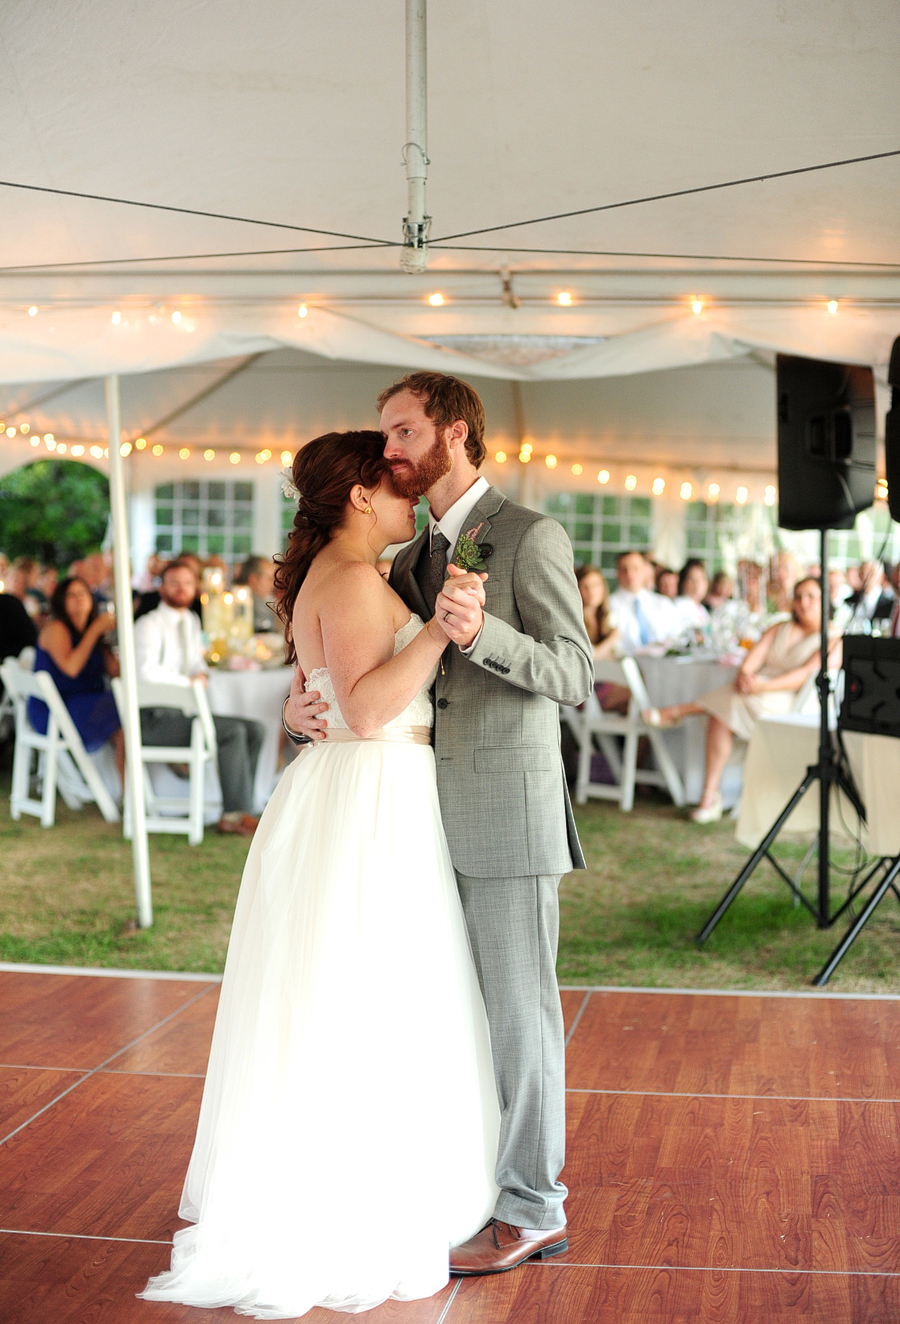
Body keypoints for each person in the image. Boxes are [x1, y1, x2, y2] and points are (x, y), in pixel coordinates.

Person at [141, 430, 503, 1316]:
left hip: (365, 790)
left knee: (353, 992)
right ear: (356, 498)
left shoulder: (348, 579)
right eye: (394, 484)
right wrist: (445, 634)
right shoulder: (346, 581)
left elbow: (331, 699)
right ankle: (351, 1204)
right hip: (369, 796)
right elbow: (374, 709)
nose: (409, 496)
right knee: (365, 995)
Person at [284, 371, 594, 1277]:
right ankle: (459, 1183)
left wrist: (478, 633)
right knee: (442, 1014)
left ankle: (535, 1206)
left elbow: (574, 673)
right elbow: (360, 664)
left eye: (403, 431)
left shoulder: (531, 536)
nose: (389, 450)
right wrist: (300, 710)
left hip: (502, 811)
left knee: (518, 1015)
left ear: (455, 434)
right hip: (412, 820)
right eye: (385, 435)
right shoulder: (407, 557)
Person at [646, 578, 837, 822]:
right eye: (798, 596)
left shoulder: (834, 638)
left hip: (792, 702)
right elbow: (752, 658)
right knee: (723, 712)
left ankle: (680, 711)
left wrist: (765, 686)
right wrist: (745, 676)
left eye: (811, 596)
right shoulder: (780, 627)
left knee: (727, 705)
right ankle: (709, 796)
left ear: (824, 599)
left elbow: (806, 675)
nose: (803, 602)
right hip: (754, 692)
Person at [133, 560, 264, 837]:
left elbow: (194, 663)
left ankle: (241, 809)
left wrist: (201, 673)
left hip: (183, 714)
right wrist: (189, 683)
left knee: (256, 729)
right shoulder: (148, 625)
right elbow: (144, 674)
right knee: (232, 732)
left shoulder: (191, 621)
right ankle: (232, 816)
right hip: (153, 718)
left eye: (188, 583)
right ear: (161, 588)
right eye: (174, 583)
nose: (182, 589)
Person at [26, 576, 123, 781]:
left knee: (126, 712)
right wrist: (95, 630)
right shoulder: (56, 629)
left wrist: (111, 638)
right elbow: (72, 669)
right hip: (56, 710)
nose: (78, 599)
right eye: (71, 595)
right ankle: (127, 793)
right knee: (124, 713)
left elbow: (115, 671)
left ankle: (125, 790)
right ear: (61, 601)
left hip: (85, 703)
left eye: (82, 593)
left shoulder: (89, 631)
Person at [575, 564, 629, 712]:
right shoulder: (575, 621)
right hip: (585, 690)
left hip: (607, 684)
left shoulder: (607, 618)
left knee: (637, 707)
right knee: (641, 695)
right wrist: (613, 637)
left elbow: (617, 654)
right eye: (585, 586)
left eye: (596, 585)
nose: (591, 591)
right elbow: (591, 656)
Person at [609, 550, 679, 655]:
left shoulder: (663, 604)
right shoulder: (609, 605)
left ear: (645, 570)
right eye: (624, 569)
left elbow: (677, 635)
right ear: (617, 572)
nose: (630, 574)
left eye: (635, 568)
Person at [235, 554, 277, 632]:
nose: (273, 585)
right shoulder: (235, 605)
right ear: (253, 578)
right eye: (270, 579)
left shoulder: (268, 601)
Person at [674, 559, 710, 631]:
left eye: (701, 578)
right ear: (682, 582)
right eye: (692, 579)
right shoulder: (678, 606)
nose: (697, 584)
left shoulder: (702, 609)